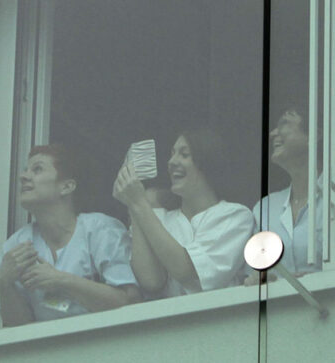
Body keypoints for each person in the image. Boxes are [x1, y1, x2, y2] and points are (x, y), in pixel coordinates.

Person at [0, 144, 140, 326]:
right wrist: (4, 283)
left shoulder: (100, 230)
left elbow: (129, 303)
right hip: (49, 353)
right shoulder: (15, 247)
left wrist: (61, 280)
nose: (23, 177)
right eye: (26, 170)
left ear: (67, 186)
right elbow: (16, 332)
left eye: (37, 169)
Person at [113, 130, 255, 297]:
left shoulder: (235, 215)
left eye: (184, 154)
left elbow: (185, 271)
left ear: (208, 163)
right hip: (172, 321)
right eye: (172, 154)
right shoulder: (158, 217)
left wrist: (140, 203)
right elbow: (151, 281)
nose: (172, 162)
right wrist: (134, 205)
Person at [247, 105, 325, 279]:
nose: (273, 133)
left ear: (315, 135)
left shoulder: (332, 197)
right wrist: (255, 281)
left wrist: (318, 279)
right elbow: (255, 274)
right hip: (282, 306)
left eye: (285, 123)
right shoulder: (266, 208)